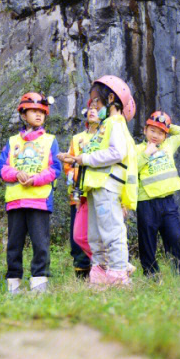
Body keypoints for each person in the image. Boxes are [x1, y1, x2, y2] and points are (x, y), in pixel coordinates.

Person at [63, 75, 139, 287]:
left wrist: (83, 159)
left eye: (97, 100)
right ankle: (99, 278)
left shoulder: (115, 123)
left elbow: (116, 152)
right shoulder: (105, 127)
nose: (93, 106)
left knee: (112, 233)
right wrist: (75, 159)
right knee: (95, 236)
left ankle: (118, 277)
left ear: (111, 98)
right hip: (96, 187)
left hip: (107, 186)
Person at [0, 91, 62, 293]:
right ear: (23, 115)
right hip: (16, 202)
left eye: (41, 111)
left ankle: (39, 285)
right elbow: (1, 167)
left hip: (39, 202)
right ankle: (13, 286)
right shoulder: (12, 141)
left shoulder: (50, 140)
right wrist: (16, 174)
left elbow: (55, 169)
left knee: (40, 245)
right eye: (33, 111)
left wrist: (34, 180)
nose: (38, 115)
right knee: (14, 246)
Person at [135, 109, 180, 278]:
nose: (155, 135)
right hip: (146, 202)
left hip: (168, 202)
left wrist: (164, 124)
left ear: (165, 136)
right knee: (147, 241)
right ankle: (151, 276)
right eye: (152, 130)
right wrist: (146, 154)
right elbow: (132, 168)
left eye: (160, 133)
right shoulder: (137, 149)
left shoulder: (168, 146)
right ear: (144, 130)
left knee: (175, 238)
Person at [66, 106, 98, 279]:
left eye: (96, 107)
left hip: (98, 194)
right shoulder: (77, 139)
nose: (93, 110)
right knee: (77, 239)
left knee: (100, 236)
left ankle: (104, 274)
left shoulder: (106, 137)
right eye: (90, 107)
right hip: (78, 197)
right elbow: (68, 165)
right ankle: (82, 280)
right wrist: (73, 178)